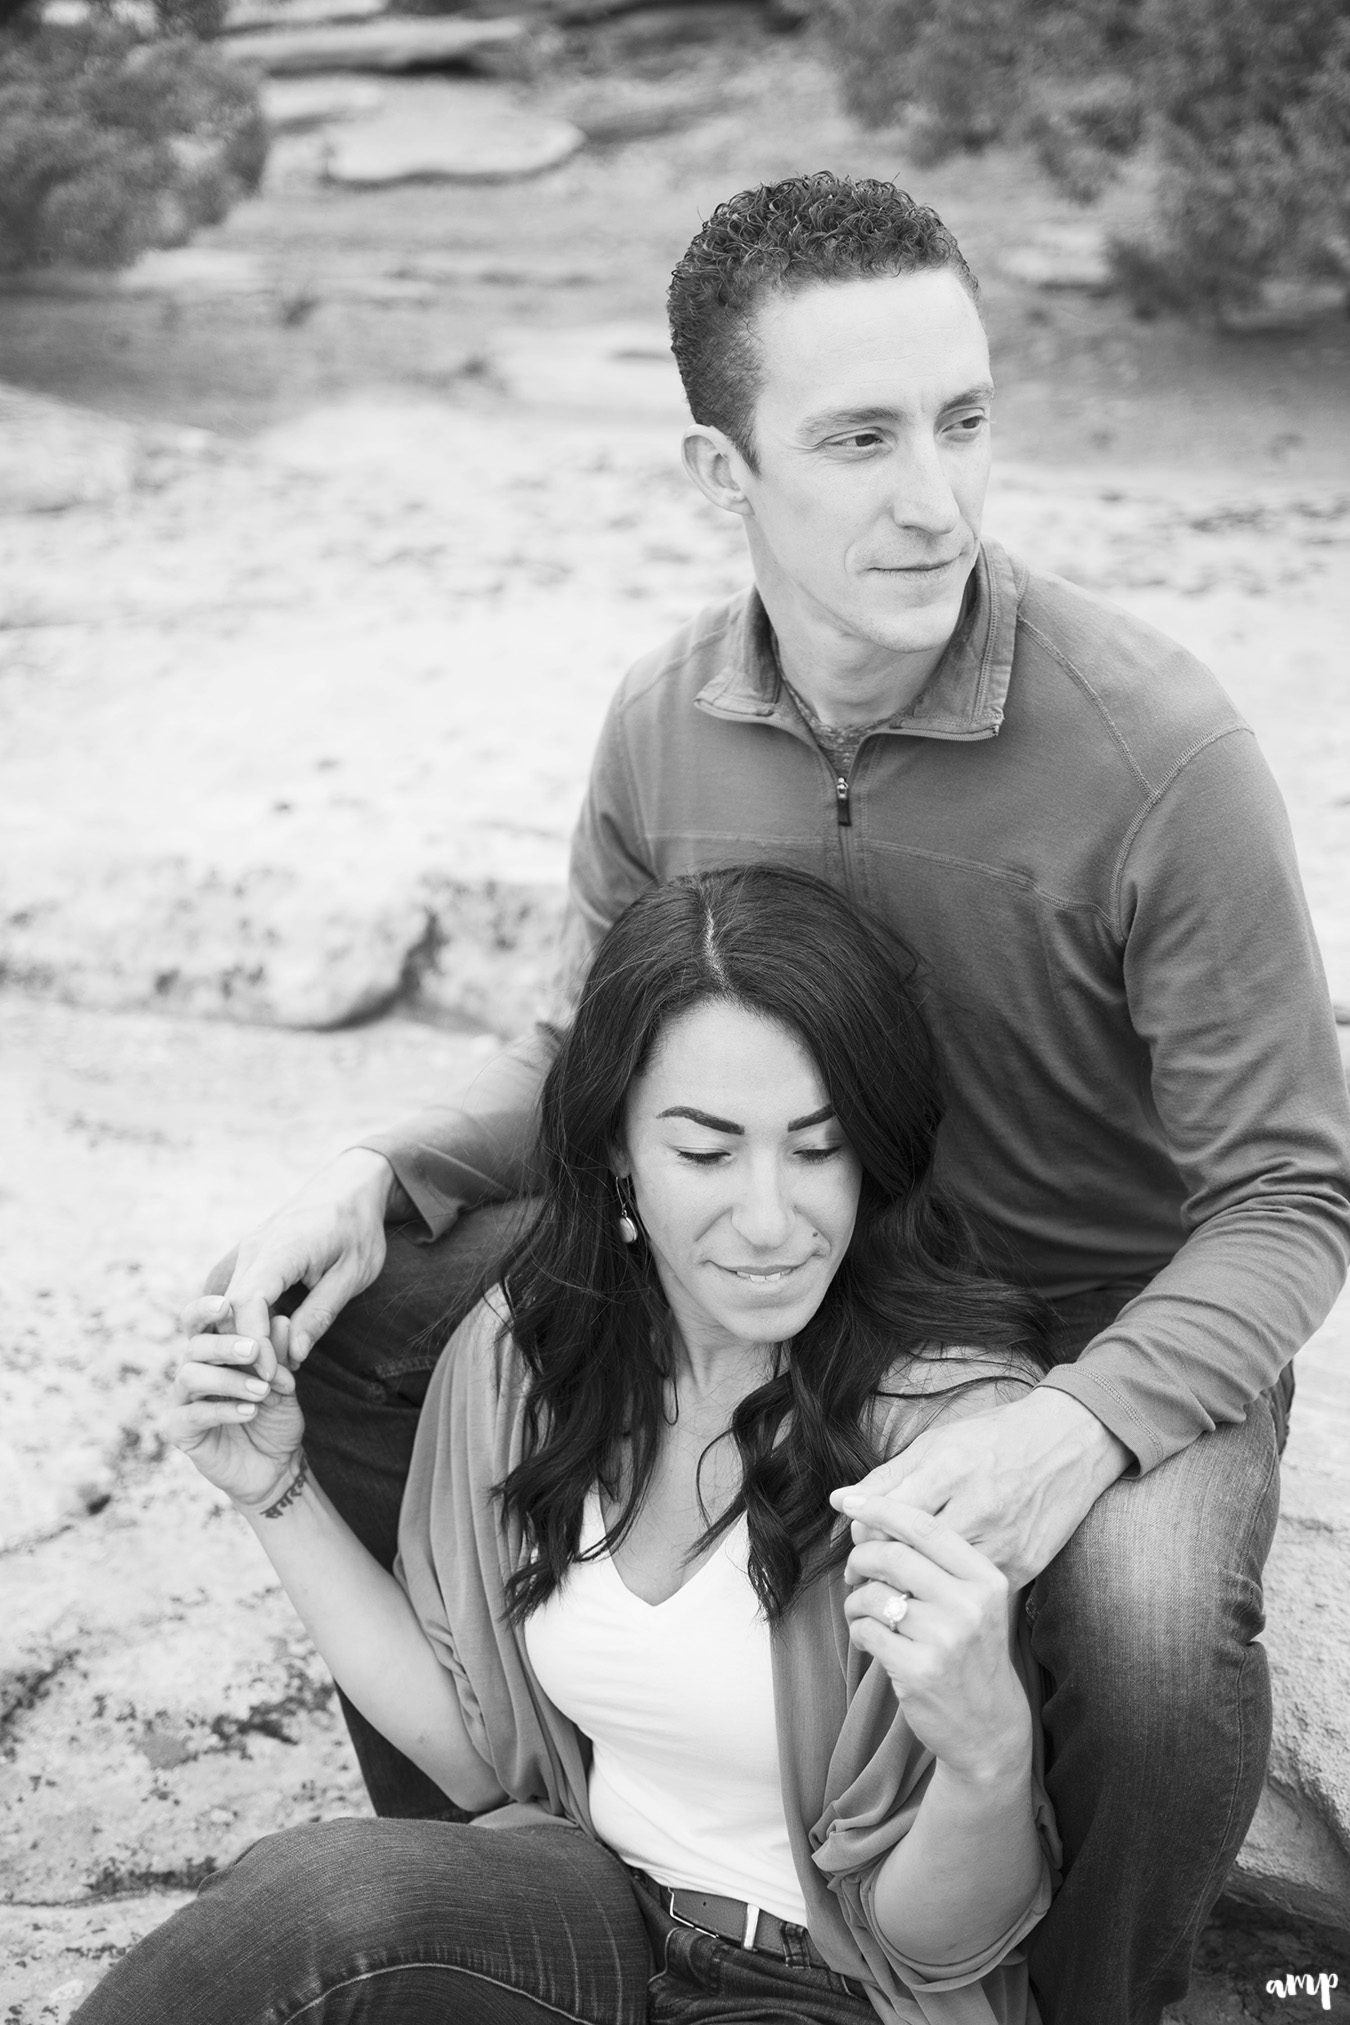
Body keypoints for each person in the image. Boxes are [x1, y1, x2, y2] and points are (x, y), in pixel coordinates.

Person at [200, 174, 1350, 2025]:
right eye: (860, 438)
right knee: (346, 1333)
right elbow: (592, 1060)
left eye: (966, 421)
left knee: (1140, 1635)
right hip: (798, 1256)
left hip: (1101, 1324)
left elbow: (1294, 1200)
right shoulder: (665, 719)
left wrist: (1070, 1433)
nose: (938, 497)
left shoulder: (1163, 751)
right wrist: (373, 1169)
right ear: (718, 476)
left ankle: (1103, 1991)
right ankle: (506, 1863)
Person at [79, 866, 1062, 2025]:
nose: (769, 1218)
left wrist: (989, 1758)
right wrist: (274, 1489)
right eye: (706, 1152)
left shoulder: (949, 1434)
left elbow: (941, 1948)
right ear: (616, 1154)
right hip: (597, 1921)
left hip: (829, 1989)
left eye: (817, 1148)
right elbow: (476, 1763)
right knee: (317, 1898)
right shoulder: (525, 1355)